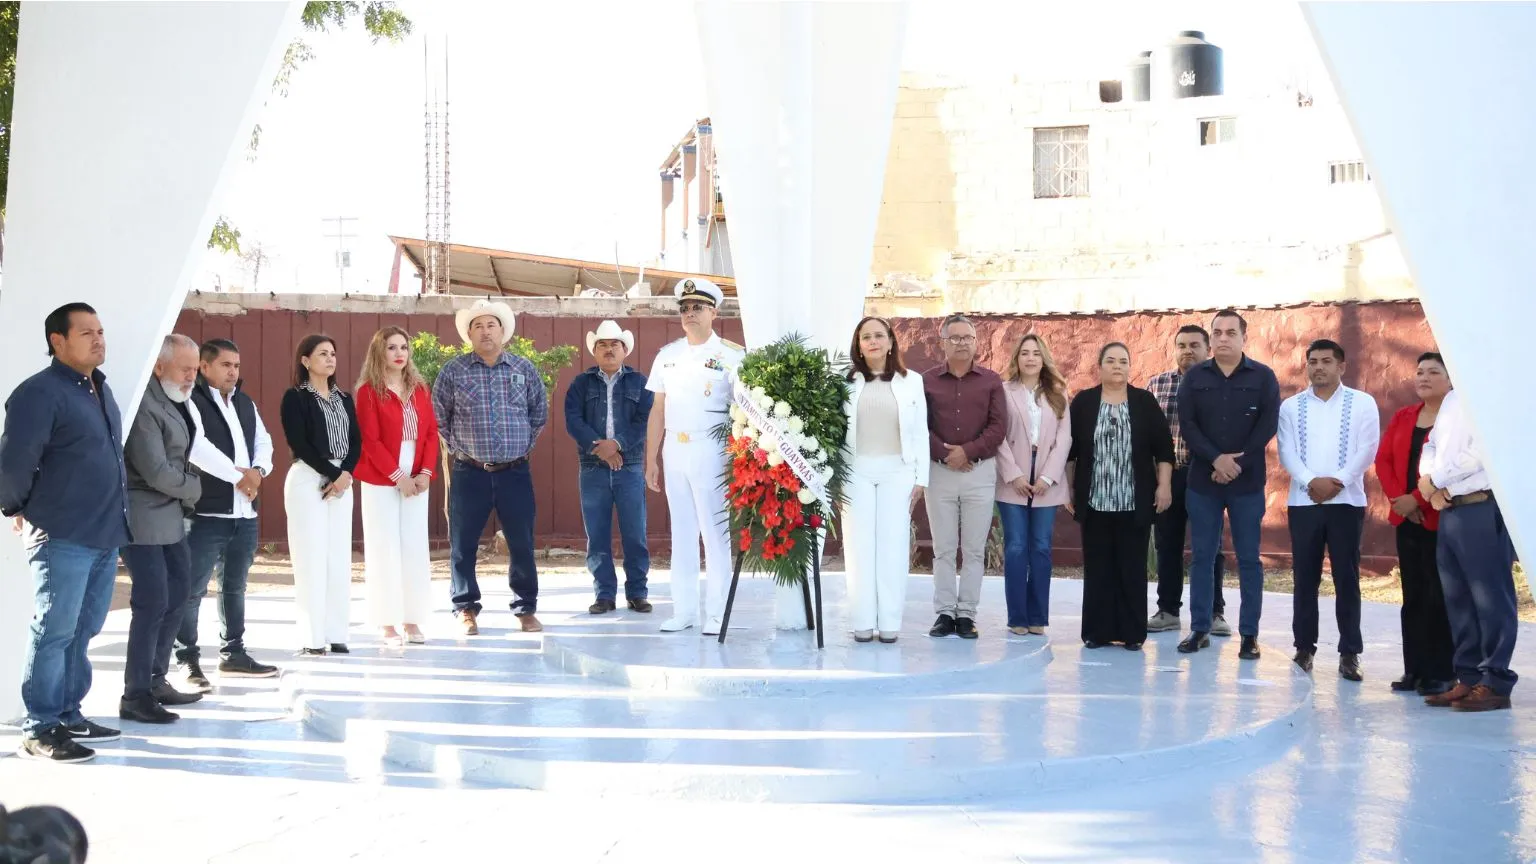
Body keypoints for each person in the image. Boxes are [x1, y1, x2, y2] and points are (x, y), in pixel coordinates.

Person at [1, 303, 129, 763]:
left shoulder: (99, 388)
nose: (98, 339)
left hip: (103, 531)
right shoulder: (39, 393)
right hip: (61, 533)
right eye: (86, 333)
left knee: (84, 629)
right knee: (54, 630)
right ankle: (40, 727)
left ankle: (69, 713)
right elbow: (14, 462)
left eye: (100, 330)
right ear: (58, 341)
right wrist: (17, 507)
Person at [434, 299, 548, 635]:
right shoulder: (454, 371)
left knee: (522, 541)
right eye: (478, 326)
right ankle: (465, 609)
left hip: (515, 472)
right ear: (469, 333)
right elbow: (439, 414)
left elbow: (538, 412)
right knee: (463, 543)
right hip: (470, 472)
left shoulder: (522, 369)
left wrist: (523, 446)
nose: (485, 331)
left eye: (491, 325)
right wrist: (458, 448)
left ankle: (525, 609)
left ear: (502, 331)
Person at [175, 338, 279, 690]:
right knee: (191, 589)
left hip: (244, 513)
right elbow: (197, 447)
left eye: (236, 365)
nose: (233, 371)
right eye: (225, 365)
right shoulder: (192, 400)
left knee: (234, 587)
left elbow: (264, 442)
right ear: (205, 367)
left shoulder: (244, 403)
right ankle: (186, 659)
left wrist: (258, 472)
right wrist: (241, 476)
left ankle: (233, 653)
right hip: (206, 512)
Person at [1176, 310, 1280, 659]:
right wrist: (1215, 460)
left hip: (1246, 483)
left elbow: (1267, 426)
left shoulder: (1263, 377)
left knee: (1249, 559)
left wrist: (1236, 463)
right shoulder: (1193, 378)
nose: (1222, 338)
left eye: (1229, 333)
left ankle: (1249, 635)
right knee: (1202, 557)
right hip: (1203, 482)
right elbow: (1188, 425)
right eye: (1216, 332)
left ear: (1242, 338)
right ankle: (1200, 628)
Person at [645, 278, 745, 634]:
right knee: (682, 532)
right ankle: (685, 611)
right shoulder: (667, 355)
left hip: (711, 448)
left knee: (715, 533)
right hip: (675, 448)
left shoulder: (732, 356)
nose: (690, 314)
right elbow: (658, 409)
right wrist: (651, 459)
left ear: (714, 312)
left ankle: (717, 612)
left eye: (697, 307)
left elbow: (743, 412)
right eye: (685, 308)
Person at [1277, 339, 1380, 681]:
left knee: (1346, 577)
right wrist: (1311, 481)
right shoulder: (1291, 407)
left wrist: (1338, 481)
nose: (1318, 367)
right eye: (1312, 361)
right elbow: (1287, 452)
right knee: (1304, 577)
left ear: (1341, 366)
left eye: (1325, 361)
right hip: (1304, 502)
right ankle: (1304, 647)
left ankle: (1350, 653)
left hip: (1346, 502)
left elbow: (1367, 449)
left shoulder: (1362, 403)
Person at [118, 334, 207, 724]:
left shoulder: (174, 399)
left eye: (194, 368)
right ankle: (135, 694)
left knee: (178, 594)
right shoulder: (146, 405)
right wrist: (195, 487)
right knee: (152, 602)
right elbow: (154, 469)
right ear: (159, 367)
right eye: (185, 369)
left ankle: (156, 679)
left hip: (169, 518)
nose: (192, 376)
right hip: (143, 518)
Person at [1065, 343, 1174, 649]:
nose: (1117, 366)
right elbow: (1070, 453)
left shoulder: (1144, 402)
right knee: (1098, 567)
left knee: (1132, 567)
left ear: (1130, 367)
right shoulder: (1085, 402)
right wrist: (1069, 490)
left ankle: (1132, 633)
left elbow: (1164, 450)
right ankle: (1096, 632)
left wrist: (1163, 486)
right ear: (1099, 367)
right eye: (1110, 361)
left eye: (1123, 361)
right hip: (1094, 500)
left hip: (1133, 502)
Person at [1418, 386, 1518, 712]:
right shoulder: (1451, 398)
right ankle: (1468, 676)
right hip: (1450, 508)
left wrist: (1438, 479)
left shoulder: (1492, 391)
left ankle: (1495, 682)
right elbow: (1432, 443)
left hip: (1482, 506)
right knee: (1458, 598)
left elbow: (1482, 450)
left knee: (1491, 598)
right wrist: (1428, 481)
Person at [841, 316, 928, 643]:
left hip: (898, 471)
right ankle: (862, 622)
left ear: (891, 342)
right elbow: (835, 434)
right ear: (859, 345)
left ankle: (890, 623)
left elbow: (920, 431)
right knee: (859, 547)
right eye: (866, 337)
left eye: (879, 335)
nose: (873, 341)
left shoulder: (912, 381)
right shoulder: (844, 382)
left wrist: (921, 477)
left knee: (892, 547)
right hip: (855, 472)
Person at [922, 314, 1007, 639]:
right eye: (954, 337)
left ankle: (967, 615)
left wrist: (967, 452)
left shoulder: (990, 380)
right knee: (944, 549)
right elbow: (920, 426)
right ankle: (944, 613)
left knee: (973, 550)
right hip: (940, 472)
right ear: (942, 342)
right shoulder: (926, 381)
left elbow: (999, 426)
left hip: (979, 472)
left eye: (967, 337)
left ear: (976, 342)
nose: (961, 343)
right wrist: (947, 454)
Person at [1375, 352, 1454, 696]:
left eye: (1433, 372)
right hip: (1407, 518)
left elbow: (1449, 467)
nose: (1423, 377)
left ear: (1450, 379)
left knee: (1440, 595)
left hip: (1442, 517)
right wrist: (1402, 502)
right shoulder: (1404, 416)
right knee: (1414, 595)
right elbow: (1384, 460)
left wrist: (1418, 500)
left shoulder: (1456, 419)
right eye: (1420, 371)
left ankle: (1442, 672)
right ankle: (1415, 670)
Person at [355, 326, 439, 647]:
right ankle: (387, 623)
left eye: (403, 347)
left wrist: (425, 473)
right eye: (392, 348)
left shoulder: (419, 388)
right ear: (380, 352)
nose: (399, 353)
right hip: (381, 476)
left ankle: (412, 619)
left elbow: (430, 432)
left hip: (417, 474)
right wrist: (397, 476)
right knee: (384, 548)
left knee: (414, 548)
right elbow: (371, 442)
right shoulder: (368, 392)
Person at [1145, 325, 1230, 637]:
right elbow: (1147, 435)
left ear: (1207, 349)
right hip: (1169, 476)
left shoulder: (1221, 384)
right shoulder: (1157, 384)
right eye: (1181, 345)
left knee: (1210, 547)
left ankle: (1214, 611)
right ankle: (1168, 609)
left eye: (1195, 345)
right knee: (1167, 544)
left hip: (1207, 476)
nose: (1187, 351)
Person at [565, 319, 653, 615]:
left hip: (629, 467)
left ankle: (637, 593)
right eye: (602, 344)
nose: (608, 349)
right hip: (592, 467)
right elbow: (573, 421)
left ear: (625, 349)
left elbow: (645, 421)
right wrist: (599, 448)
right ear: (594, 351)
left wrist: (617, 445)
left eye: (614, 344)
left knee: (634, 533)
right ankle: (604, 594)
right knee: (597, 534)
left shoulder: (641, 383)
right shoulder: (581, 384)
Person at [280, 334, 361, 655]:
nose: (330, 359)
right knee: (310, 558)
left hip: (342, 482)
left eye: (333, 353)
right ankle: (312, 638)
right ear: (305, 360)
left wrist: (345, 475)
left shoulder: (345, 398)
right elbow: (299, 443)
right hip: (309, 478)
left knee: (338, 558)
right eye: (322, 354)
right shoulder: (295, 398)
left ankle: (337, 632)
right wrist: (333, 474)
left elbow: (356, 441)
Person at [994, 333, 1070, 637]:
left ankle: (1037, 616)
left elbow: (1065, 439)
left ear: (1044, 359)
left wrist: (1047, 477)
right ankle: (1017, 617)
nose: (1030, 358)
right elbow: (997, 434)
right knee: (1015, 547)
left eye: (1036, 353)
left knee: (1040, 547)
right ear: (1016, 358)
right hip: (1012, 479)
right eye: (1024, 353)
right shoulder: (1003, 391)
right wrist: (1013, 474)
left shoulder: (1058, 393)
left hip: (1046, 481)